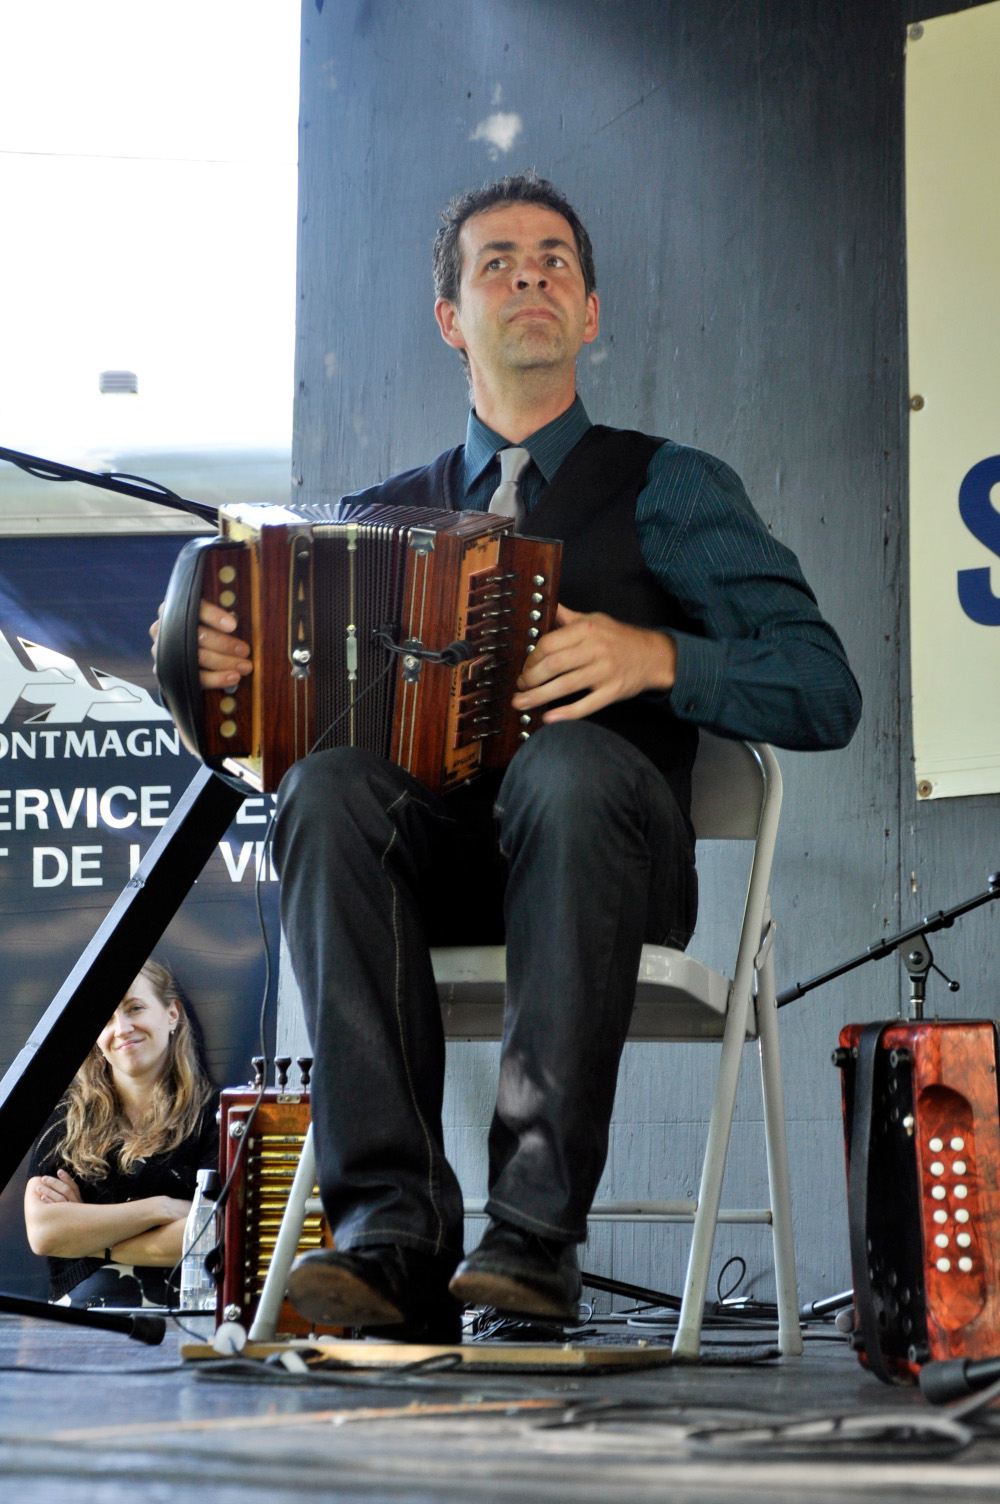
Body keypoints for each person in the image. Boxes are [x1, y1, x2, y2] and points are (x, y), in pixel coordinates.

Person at [154, 173, 861, 1344]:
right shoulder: (373, 519)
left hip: (611, 861)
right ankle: (392, 1241)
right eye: (496, 261)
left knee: (566, 767)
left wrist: (655, 656)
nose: (528, 273)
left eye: (553, 260)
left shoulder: (669, 486)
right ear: (450, 319)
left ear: (588, 314)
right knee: (325, 788)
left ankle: (533, 1242)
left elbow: (823, 686)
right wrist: (208, 659)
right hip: (432, 876)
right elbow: (269, 743)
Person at [25, 960, 218, 1308]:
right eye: (107, 1017)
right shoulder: (67, 1119)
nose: (122, 1028)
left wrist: (90, 1238)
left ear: (172, 1014)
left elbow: (211, 1234)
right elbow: (45, 1233)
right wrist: (162, 1208)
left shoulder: (214, 1117)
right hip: (75, 1326)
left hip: (181, 1325)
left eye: (135, 1008)